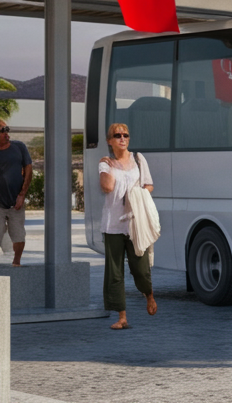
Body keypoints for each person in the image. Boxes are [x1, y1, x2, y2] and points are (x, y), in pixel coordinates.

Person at [98, 122, 156, 329]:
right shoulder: (105, 164)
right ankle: (122, 317)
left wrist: (138, 195)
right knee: (114, 273)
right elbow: (107, 187)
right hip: (112, 225)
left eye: (125, 135)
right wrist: (108, 167)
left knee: (140, 268)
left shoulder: (139, 160)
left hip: (135, 223)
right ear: (109, 141)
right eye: (117, 135)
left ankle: (148, 294)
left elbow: (149, 185)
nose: (122, 138)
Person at [0, 119, 33, 266]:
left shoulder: (19, 147)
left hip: (16, 202)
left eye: (7, 129)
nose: (6, 133)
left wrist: (22, 194)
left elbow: (28, 169)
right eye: (2, 131)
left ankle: (16, 262)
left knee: (19, 235)